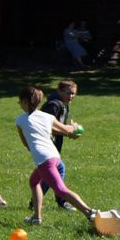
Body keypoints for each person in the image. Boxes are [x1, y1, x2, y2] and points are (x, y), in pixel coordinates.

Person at [15, 86, 96, 225]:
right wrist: (75, 127)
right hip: (54, 156)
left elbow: (26, 144)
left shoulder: (20, 120)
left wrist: (33, 147)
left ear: (24, 102)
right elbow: (66, 129)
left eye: (19, 101)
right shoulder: (48, 117)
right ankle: (36, 218)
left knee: (60, 190)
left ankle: (90, 213)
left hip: (44, 159)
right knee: (34, 181)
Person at [37, 80, 80, 211]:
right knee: (55, 172)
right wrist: (68, 132)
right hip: (47, 145)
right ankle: (61, 202)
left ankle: (36, 202)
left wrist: (70, 128)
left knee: (48, 174)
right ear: (59, 91)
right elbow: (46, 128)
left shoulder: (63, 104)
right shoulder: (53, 105)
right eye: (68, 93)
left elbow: (59, 124)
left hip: (53, 145)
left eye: (73, 94)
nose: (71, 96)